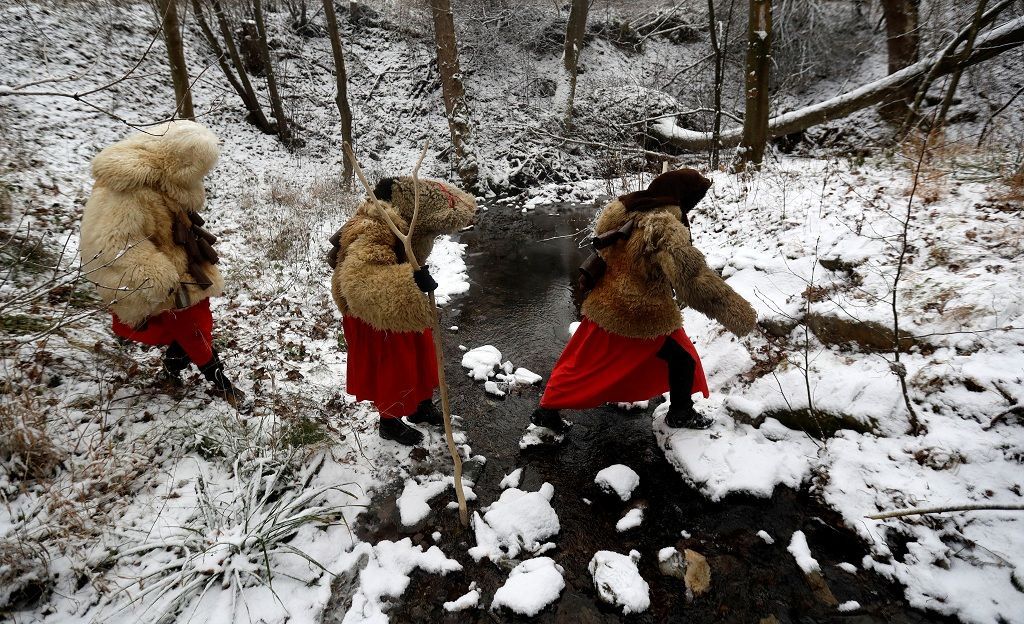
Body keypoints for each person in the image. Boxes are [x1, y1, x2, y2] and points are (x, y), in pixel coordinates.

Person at [531, 168, 756, 432]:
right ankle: (680, 413)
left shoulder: (623, 209)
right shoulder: (664, 226)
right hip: (642, 314)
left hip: (605, 304)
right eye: (695, 199)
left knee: (582, 364)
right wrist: (736, 311)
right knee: (682, 360)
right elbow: (691, 277)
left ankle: (547, 411)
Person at [79, 120, 245, 406]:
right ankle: (222, 384)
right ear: (182, 163)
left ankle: (172, 371)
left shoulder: (161, 179)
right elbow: (112, 243)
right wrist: (160, 275)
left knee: (194, 326)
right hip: (167, 276)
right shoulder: (130, 191)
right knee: (194, 330)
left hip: (184, 266)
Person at [328, 176, 476, 445]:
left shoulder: (402, 221)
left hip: (396, 304)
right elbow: (362, 277)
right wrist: (411, 281)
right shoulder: (372, 228)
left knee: (419, 355)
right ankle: (389, 421)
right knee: (393, 368)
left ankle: (419, 406)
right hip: (375, 314)